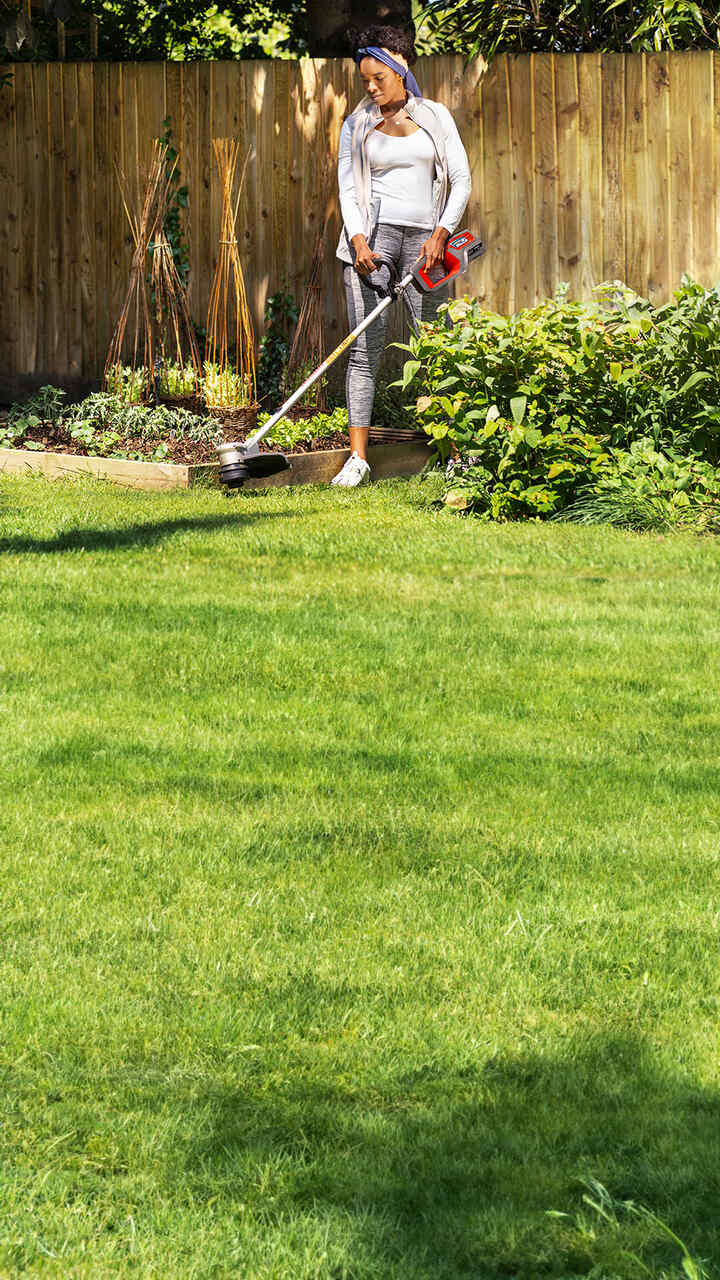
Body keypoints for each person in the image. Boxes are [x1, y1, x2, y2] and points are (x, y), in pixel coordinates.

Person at [330, 23, 472, 488]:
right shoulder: (357, 123)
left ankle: (452, 453)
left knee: (436, 347)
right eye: (365, 81)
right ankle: (358, 460)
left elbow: (461, 179)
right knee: (365, 349)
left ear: (401, 66)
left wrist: (442, 233)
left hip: (426, 244)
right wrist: (358, 242)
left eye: (378, 79)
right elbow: (348, 188)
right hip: (371, 242)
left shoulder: (435, 116)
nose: (370, 88)